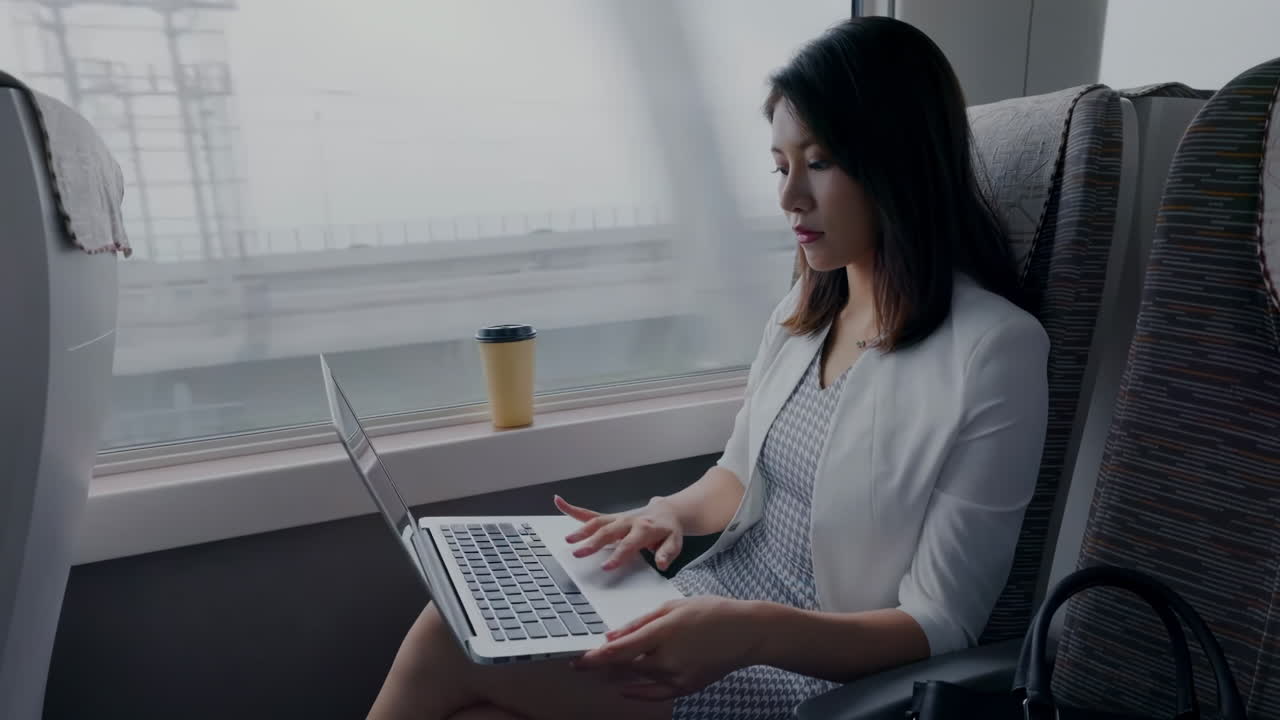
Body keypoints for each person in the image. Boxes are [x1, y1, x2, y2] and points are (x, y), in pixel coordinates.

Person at [368, 15, 1049, 720]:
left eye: (818, 163)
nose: (789, 199)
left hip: (812, 678)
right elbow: (735, 474)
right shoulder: (806, 310)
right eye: (781, 167)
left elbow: (941, 624)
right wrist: (662, 515)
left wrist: (750, 630)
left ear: (896, 160)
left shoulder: (995, 351)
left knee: (447, 636)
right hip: (704, 615)